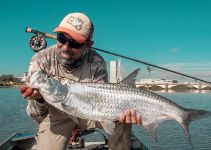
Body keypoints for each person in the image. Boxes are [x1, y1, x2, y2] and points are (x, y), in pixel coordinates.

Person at [20, 12, 141, 150]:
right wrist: (39, 99)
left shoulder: (96, 62)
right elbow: (37, 116)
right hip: (56, 117)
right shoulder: (40, 60)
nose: (66, 47)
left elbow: (104, 102)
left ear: (88, 44)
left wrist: (124, 111)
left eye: (74, 43)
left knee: (121, 115)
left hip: (91, 113)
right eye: (61, 38)